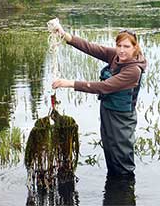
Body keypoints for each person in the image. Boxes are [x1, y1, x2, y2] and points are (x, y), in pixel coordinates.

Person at [52, 23, 147, 176]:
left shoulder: (133, 70)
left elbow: (104, 87)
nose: (122, 50)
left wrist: (69, 83)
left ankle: (125, 191)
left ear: (135, 48)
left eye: (127, 46)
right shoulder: (116, 57)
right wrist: (65, 35)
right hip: (107, 111)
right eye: (119, 45)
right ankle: (113, 191)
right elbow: (90, 47)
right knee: (110, 152)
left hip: (122, 118)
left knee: (122, 160)